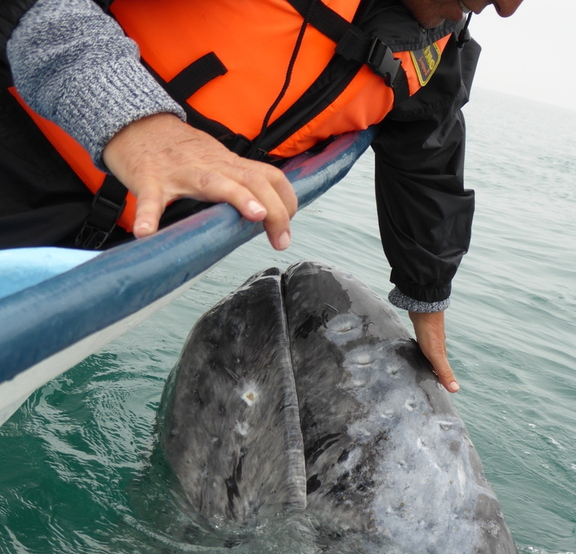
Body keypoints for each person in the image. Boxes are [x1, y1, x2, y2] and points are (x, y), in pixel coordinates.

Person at [0, 0, 524, 393]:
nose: (504, 7)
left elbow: (427, 156)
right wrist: (132, 120)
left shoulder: (436, 47)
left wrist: (427, 297)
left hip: (112, 252)